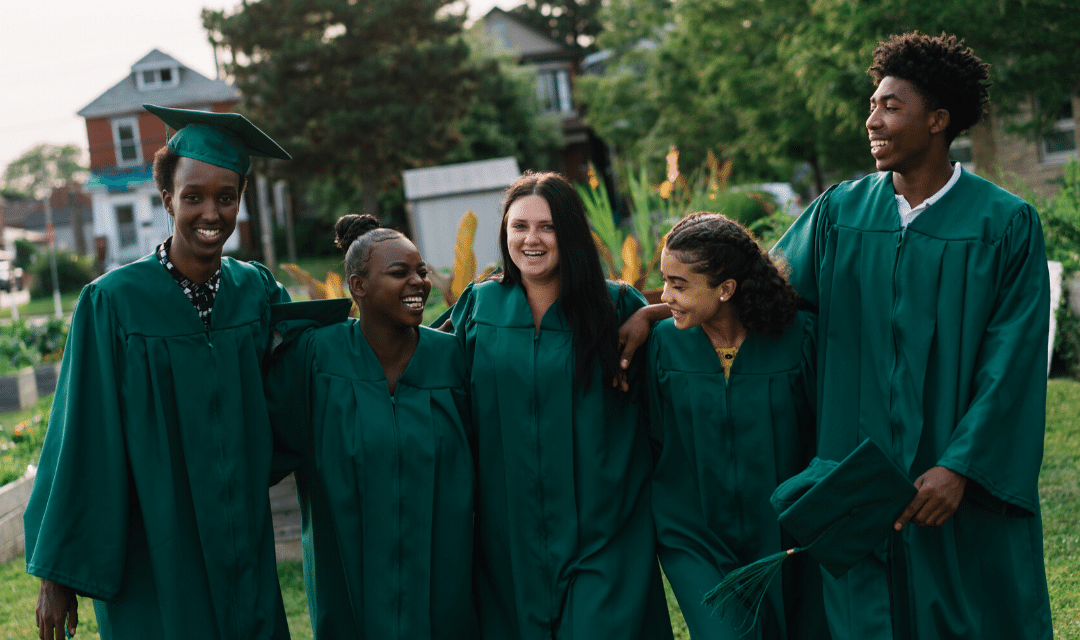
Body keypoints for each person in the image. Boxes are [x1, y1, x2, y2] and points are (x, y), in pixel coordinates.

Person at [770, 33, 1052, 639]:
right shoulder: (840, 212)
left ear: (938, 121)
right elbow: (758, 294)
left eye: (890, 106)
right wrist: (654, 314)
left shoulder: (1003, 224)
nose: (871, 120)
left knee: (969, 613)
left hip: (951, 482)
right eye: (872, 104)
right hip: (858, 472)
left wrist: (960, 467)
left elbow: (1013, 360)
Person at [25, 104, 294, 640]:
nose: (211, 213)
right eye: (193, 197)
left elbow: (296, 390)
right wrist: (58, 574)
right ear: (168, 199)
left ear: (240, 200)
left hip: (241, 534)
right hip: (154, 537)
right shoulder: (113, 302)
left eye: (226, 197)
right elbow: (80, 431)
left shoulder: (259, 292)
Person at [444, 171, 672, 639]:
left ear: (569, 232)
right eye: (518, 226)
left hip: (603, 530)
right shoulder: (479, 308)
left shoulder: (615, 306)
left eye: (546, 227)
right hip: (509, 534)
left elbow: (710, 303)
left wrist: (652, 312)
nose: (531, 239)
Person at [264, 214, 477, 639]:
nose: (418, 282)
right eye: (399, 273)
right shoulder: (316, 357)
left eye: (421, 271)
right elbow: (258, 430)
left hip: (442, 576)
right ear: (358, 286)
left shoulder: (452, 358)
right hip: (346, 575)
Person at [647, 212, 827, 639]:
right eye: (665, 281)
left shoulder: (799, 339)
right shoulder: (662, 345)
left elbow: (827, 430)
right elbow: (654, 439)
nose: (663, 295)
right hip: (694, 536)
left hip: (787, 532)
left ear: (726, 289)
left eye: (679, 284)